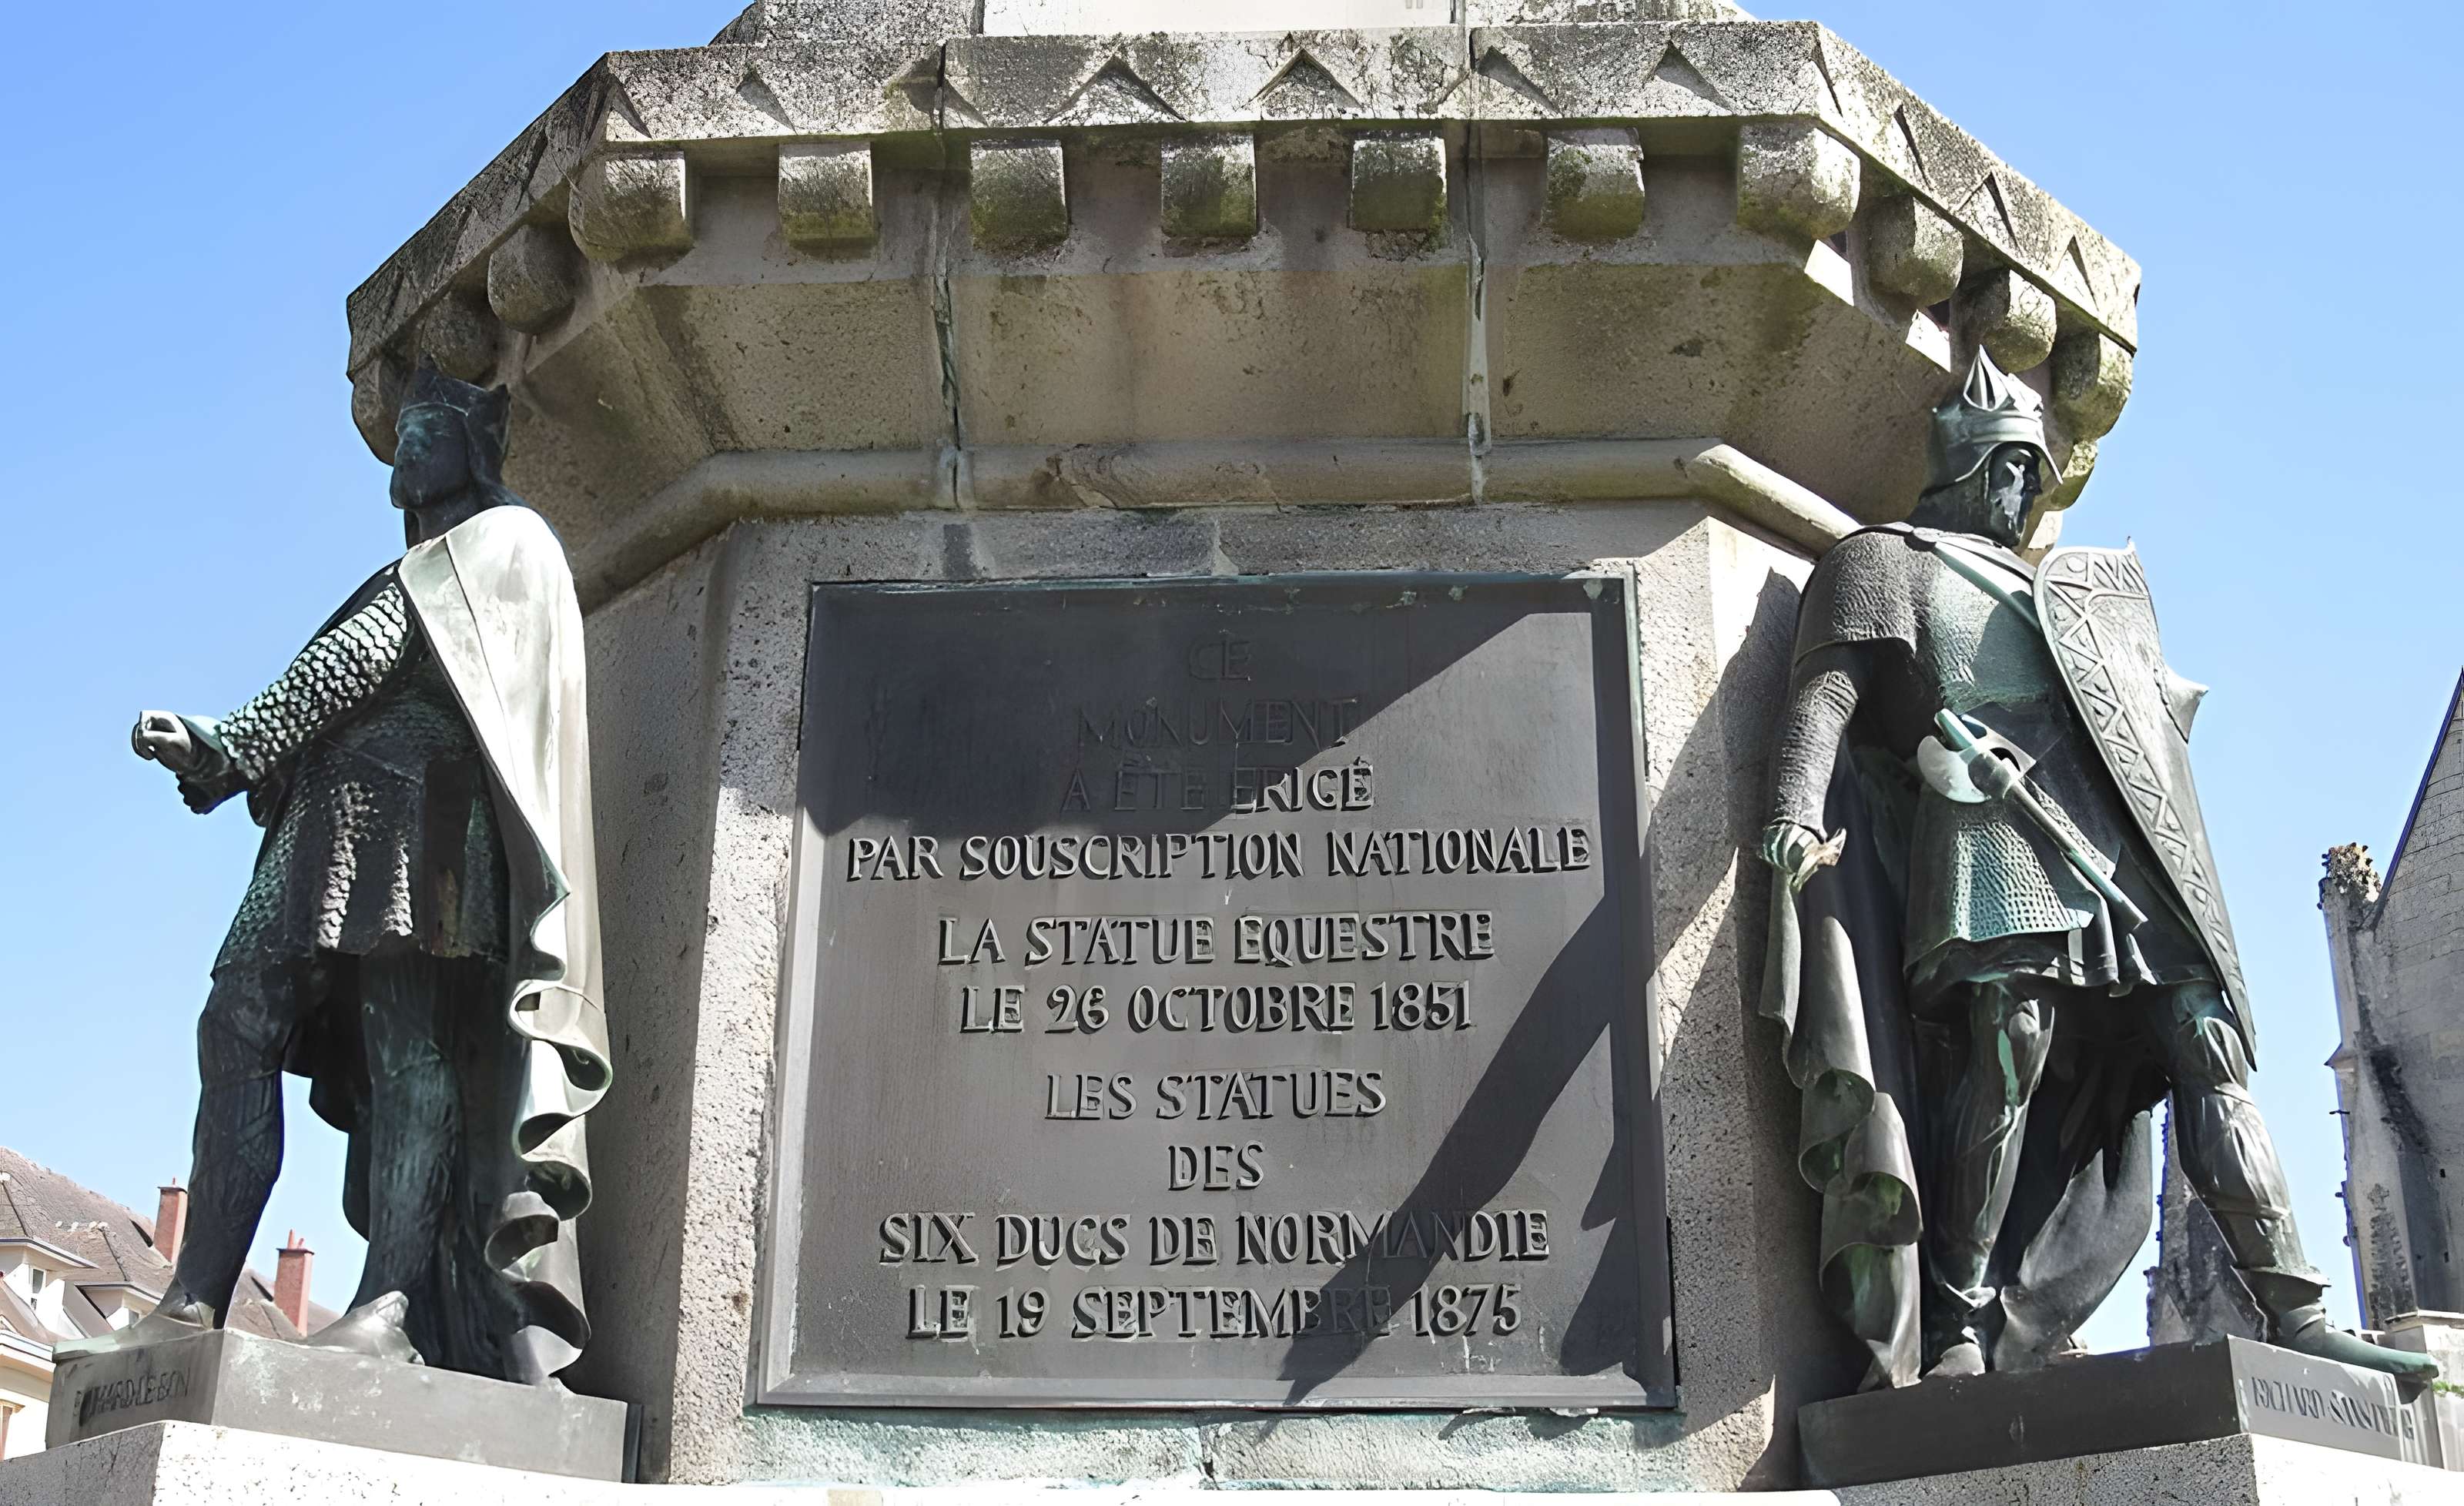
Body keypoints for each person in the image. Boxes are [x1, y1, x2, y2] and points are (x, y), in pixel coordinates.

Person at [1757, 348, 2434, 1387]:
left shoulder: (2067, 589)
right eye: (2010, 468)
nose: (2026, 490)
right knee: (2007, 1049)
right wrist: (1796, 819)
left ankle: (2296, 1310)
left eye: (2036, 471)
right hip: (1988, 832)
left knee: (2206, 1043)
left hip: (2112, 837)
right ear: (1964, 468)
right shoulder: (1883, 560)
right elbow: (1824, 703)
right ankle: (1959, 1328)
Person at [95, 362, 608, 1384]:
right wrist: (230, 750)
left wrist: (234, 739)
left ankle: (391, 1304)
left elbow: (367, 660)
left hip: (429, 822)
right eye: (403, 429)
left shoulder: (502, 545)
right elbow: (341, 674)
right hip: (328, 821)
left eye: (426, 431)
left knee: (405, 1047)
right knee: (236, 1019)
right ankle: (194, 1298)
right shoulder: (408, 568)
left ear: (471, 445)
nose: (406, 448)